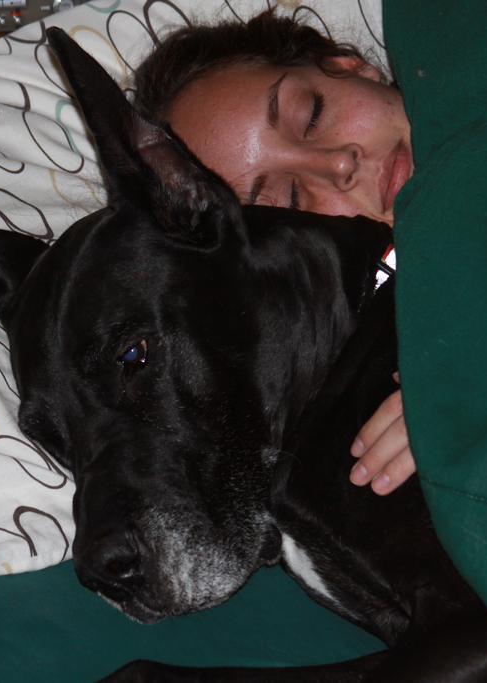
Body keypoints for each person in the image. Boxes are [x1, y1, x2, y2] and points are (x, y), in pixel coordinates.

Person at [131, 9, 415, 495]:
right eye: (290, 201)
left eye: (313, 114)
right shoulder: (403, 346)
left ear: (350, 66)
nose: (339, 163)